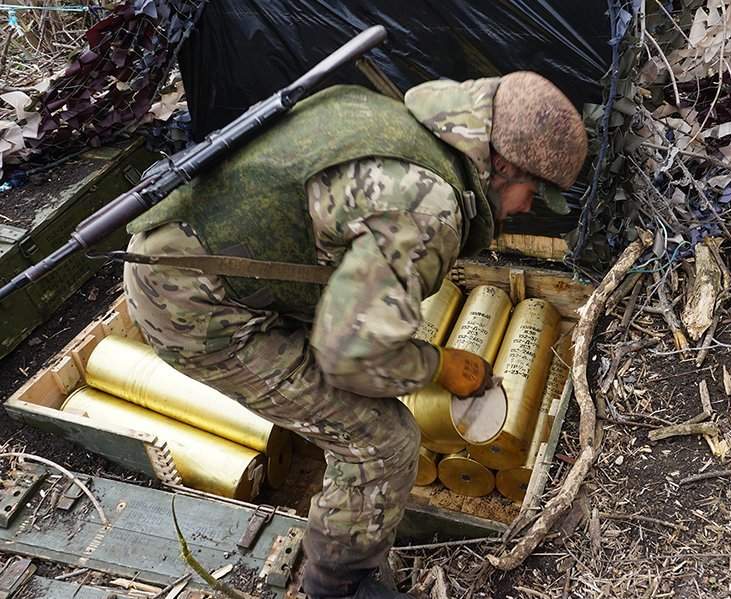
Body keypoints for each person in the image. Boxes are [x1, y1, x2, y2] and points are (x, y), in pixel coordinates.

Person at [121, 72, 587, 599]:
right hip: (193, 304)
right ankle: (339, 584)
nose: (528, 208)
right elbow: (350, 358)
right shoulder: (426, 209)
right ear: (502, 163)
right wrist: (436, 367)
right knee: (381, 440)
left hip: (195, 254)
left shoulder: (399, 121)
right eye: (533, 192)